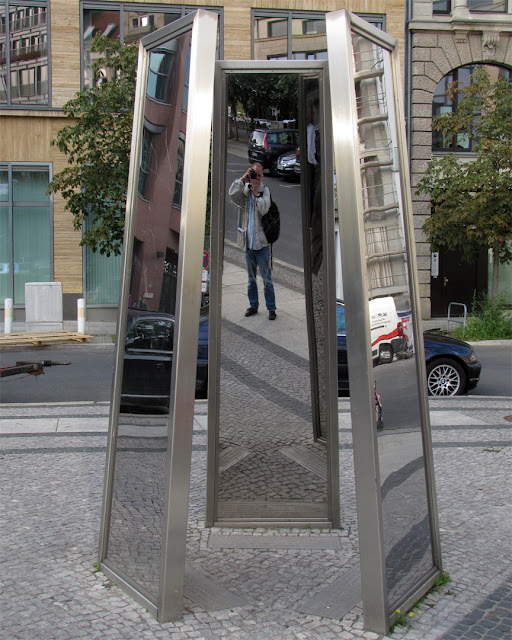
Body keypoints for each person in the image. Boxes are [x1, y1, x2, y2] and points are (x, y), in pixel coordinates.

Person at [229, 162, 277, 320]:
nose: (255, 178)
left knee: (267, 279)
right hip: (248, 245)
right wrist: (242, 179)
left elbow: (264, 209)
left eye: (258, 175)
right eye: (253, 174)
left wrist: (256, 192)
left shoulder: (265, 191)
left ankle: (271, 308)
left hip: (261, 245)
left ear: (262, 176)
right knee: (251, 280)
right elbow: (231, 194)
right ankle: (253, 305)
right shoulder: (244, 191)